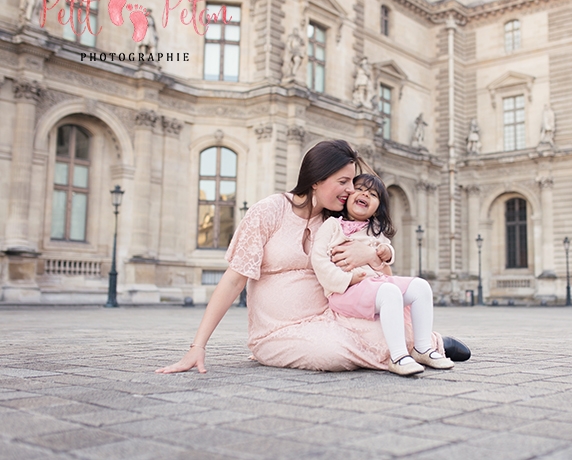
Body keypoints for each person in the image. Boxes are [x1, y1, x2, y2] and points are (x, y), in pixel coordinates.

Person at [156, 140, 469, 374]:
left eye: (353, 182)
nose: (350, 191)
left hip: (334, 318)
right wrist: (198, 347)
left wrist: (368, 252)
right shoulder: (270, 211)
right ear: (317, 178)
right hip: (278, 330)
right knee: (329, 352)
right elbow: (233, 280)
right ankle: (413, 347)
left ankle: (424, 343)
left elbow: (382, 279)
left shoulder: (338, 223)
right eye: (343, 182)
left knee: (383, 329)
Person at [311, 173, 454, 376]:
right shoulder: (332, 226)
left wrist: (386, 253)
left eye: (373, 194)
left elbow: (385, 251)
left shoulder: (375, 229)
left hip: (376, 285)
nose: (365, 195)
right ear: (348, 197)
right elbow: (319, 260)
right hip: (345, 291)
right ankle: (398, 356)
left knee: (421, 287)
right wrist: (346, 279)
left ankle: (422, 348)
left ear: (379, 207)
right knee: (389, 291)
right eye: (359, 189)